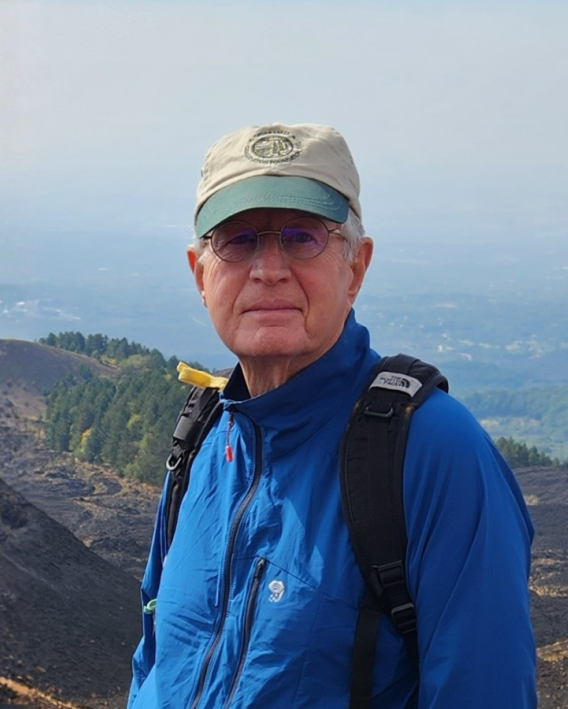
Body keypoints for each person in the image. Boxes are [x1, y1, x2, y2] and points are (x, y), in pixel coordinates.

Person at [127, 123, 537, 708]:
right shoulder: (200, 442)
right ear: (200, 274)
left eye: (301, 237)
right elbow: (152, 668)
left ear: (356, 268)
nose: (269, 269)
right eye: (238, 240)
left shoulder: (434, 451)